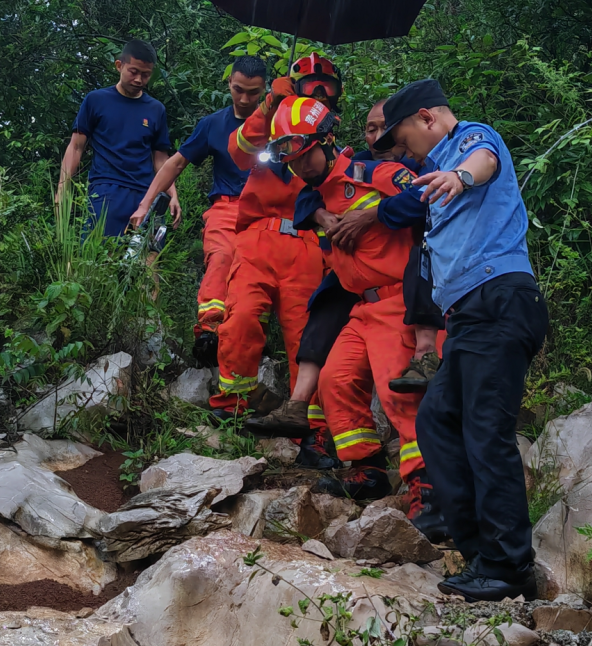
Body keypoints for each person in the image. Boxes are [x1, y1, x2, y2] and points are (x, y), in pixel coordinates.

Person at [372, 78, 549, 601]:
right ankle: (479, 552)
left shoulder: (470, 138)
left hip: (500, 300)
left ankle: (510, 567)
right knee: (437, 419)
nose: (405, 151)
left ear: (427, 118)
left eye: (403, 138)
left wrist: (459, 176)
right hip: (469, 318)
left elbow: (484, 161)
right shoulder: (431, 176)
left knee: (485, 431)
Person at [262, 95, 446, 542]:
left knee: (400, 394)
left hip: (396, 300)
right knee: (335, 382)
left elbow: (427, 199)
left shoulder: (376, 173)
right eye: (290, 156)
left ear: (326, 142)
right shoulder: (313, 196)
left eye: (305, 153)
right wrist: (322, 212)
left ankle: (430, 488)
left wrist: (372, 218)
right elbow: (304, 206)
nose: (300, 165)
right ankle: (366, 469)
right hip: (359, 306)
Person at [207, 54, 343, 469]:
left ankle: (313, 431)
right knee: (242, 316)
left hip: (305, 242)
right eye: (312, 84)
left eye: (327, 87)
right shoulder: (271, 119)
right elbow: (240, 154)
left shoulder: (328, 132)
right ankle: (232, 402)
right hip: (258, 235)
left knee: (308, 338)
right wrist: (268, 106)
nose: (320, 92)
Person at [131, 56, 267, 364]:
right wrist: (146, 203)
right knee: (220, 259)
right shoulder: (213, 124)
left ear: (264, 90)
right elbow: (175, 163)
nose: (244, 99)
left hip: (267, 214)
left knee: (254, 275)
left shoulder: (277, 125)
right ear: (229, 83)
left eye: (253, 93)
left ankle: (251, 334)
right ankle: (208, 331)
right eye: (238, 90)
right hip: (227, 208)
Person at [58, 39, 180, 236]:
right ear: (119, 65)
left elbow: (161, 159)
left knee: (149, 257)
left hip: (147, 193)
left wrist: (172, 194)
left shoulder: (156, 109)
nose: (139, 79)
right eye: (134, 72)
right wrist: (62, 190)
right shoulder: (96, 100)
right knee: (100, 256)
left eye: (146, 74)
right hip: (106, 190)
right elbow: (76, 147)